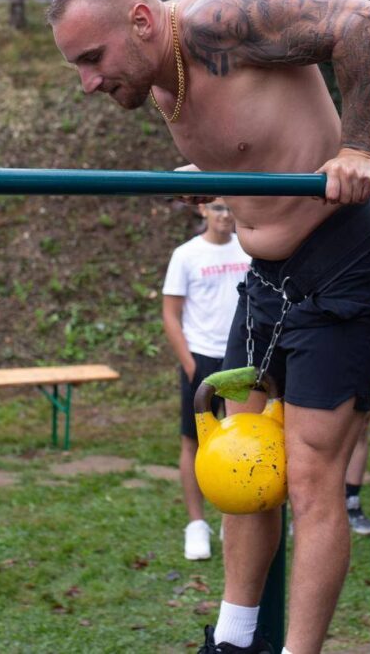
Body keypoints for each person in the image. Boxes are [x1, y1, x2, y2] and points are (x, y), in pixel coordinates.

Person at [49, 0, 370, 654]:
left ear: (142, 22)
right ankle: (234, 642)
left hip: (340, 263)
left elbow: (368, 23)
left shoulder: (223, 18)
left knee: (310, 478)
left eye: (92, 59)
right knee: (244, 465)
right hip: (264, 277)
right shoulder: (152, 73)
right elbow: (257, 131)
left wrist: (357, 146)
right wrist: (211, 178)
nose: (88, 82)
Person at [163, 200, 251, 561]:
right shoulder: (186, 255)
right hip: (201, 358)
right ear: (202, 211)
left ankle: (236, 515)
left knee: (242, 438)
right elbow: (170, 313)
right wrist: (188, 363)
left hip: (241, 359)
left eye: (230, 207)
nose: (225, 214)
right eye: (217, 207)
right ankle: (196, 525)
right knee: (194, 442)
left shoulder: (249, 248)